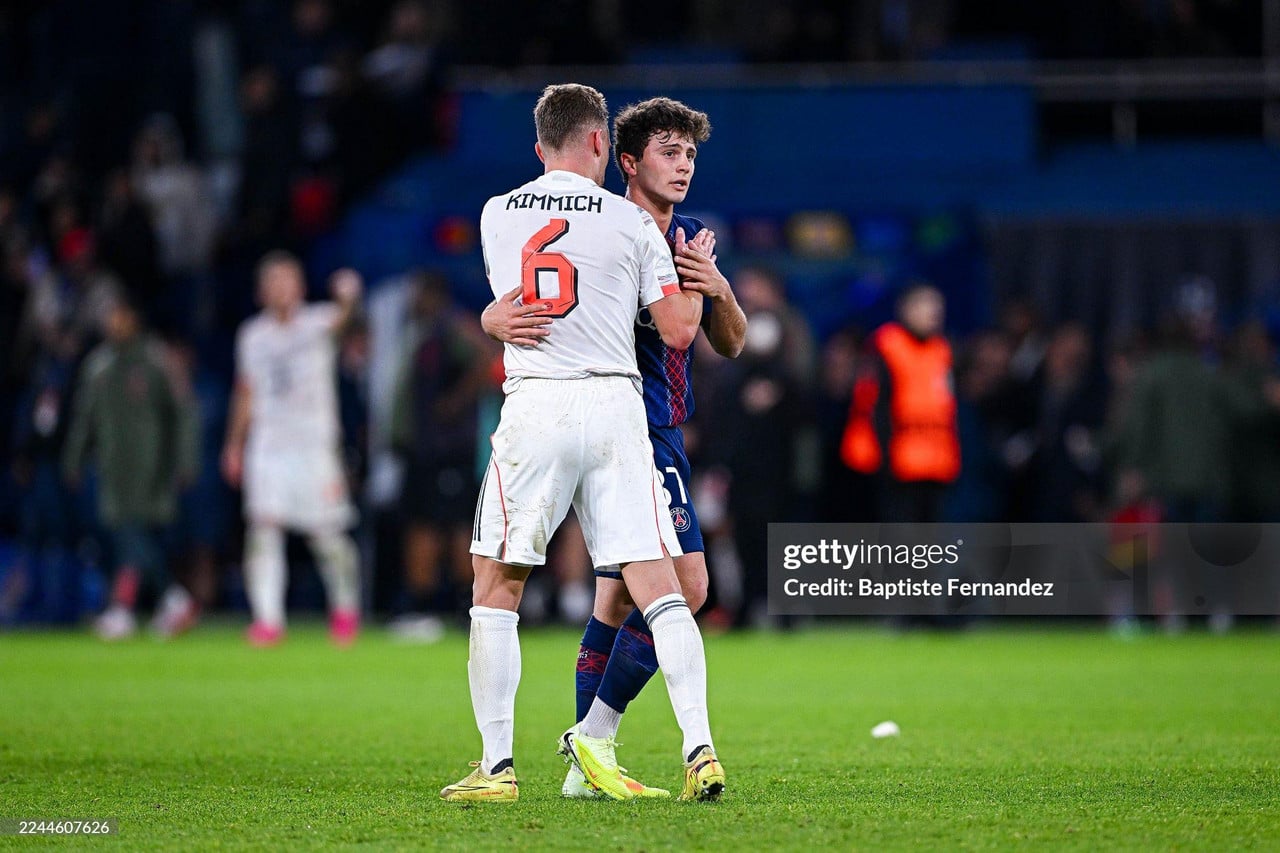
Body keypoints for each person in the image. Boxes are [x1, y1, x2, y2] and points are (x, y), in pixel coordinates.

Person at [441, 83, 725, 804]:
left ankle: (497, 767)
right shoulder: (630, 222)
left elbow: (511, 307)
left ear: (540, 148)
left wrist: (490, 319)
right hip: (615, 406)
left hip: (536, 401)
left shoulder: (497, 212)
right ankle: (698, 749)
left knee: (496, 585)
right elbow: (678, 330)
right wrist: (701, 281)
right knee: (664, 590)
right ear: (602, 143)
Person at [221, 251, 363, 646]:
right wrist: (234, 445)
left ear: (300, 286)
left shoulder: (318, 322)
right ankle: (267, 620)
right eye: (273, 282)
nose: (280, 289)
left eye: (287, 280)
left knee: (328, 537)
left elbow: (347, 320)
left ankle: (345, 610)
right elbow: (245, 392)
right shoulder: (252, 335)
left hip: (314, 446)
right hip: (267, 447)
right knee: (263, 531)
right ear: (261, 291)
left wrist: (349, 297)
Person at [62, 298, 200, 639]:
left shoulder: (156, 360)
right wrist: (74, 458)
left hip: (152, 469)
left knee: (133, 538)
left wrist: (185, 460)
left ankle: (159, 601)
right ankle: (143, 606)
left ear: (134, 318)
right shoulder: (98, 365)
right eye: (110, 317)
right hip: (113, 469)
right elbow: (84, 419)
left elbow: (182, 413)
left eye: (121, 315)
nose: (115, 323)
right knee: (131, 541)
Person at [840, 283, 960, 522]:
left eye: (937, 307)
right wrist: (885, 462)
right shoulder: (886, 346)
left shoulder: (942, 350)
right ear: (906, 309)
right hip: (898, 465)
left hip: (937, 466)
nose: (933, 313)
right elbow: (875, 408)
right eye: (925, 306)